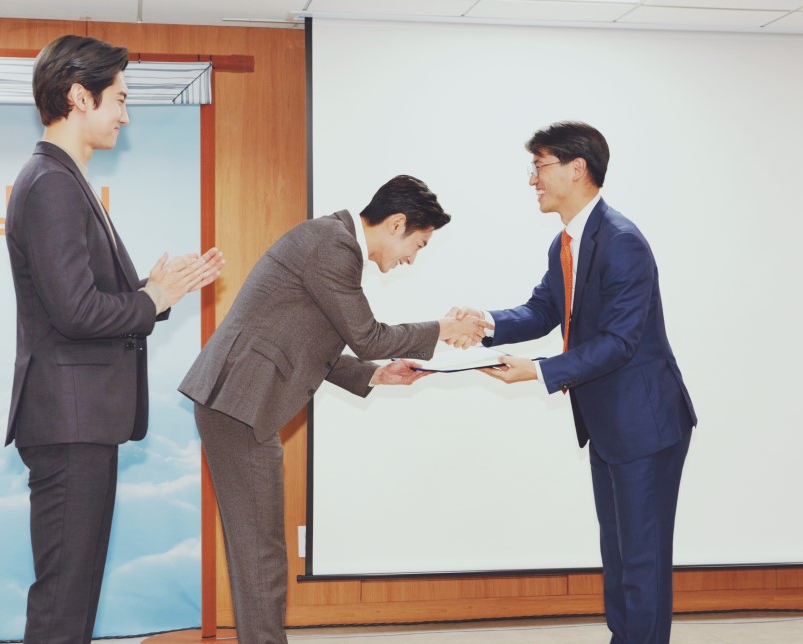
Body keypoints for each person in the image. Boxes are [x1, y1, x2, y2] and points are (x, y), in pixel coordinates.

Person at [179, 175, 489, 644]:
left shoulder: (330, 241)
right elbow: (368, 336)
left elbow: (309, 341)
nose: (412, 259)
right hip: (239, 404)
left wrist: (374, 376)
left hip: (239, 403)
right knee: (260, 552)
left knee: (257, 549)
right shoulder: (334, 245)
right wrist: (444, 328)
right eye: (419, 245)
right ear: (397, 223)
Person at [4, 34, 224, 644]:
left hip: (79, 421)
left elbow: (79, 300)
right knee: (63, 598)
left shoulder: (61, 178)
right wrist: (152, 299)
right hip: (69, 423)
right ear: (80, 97)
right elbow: (74, 311)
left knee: (73, 593)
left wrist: (153, 292)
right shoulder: (51, 182)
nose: (126, 115)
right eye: (120, 99)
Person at [449, 121, 696, 644]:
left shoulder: (622, 242)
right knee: (619, 556)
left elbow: (620, 341)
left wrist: (539, 371)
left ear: (577, 168)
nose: (532, 180)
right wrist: (484, 322)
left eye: (539, 167)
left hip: (645, 425)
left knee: (642, 562)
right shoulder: (567, 242)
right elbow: (543, 310)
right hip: (608, 424)